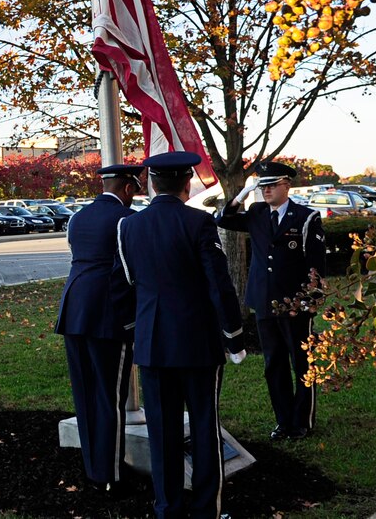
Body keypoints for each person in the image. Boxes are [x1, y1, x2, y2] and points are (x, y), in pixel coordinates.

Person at [117, 152, 246, 519]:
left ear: (152, 183)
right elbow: (219, 285)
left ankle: (167, 510)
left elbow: (126, 283)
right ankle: (207, 511)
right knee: (204, 428)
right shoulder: (199, 223)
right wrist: (234, 338)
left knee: (162, 432)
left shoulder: (128, 226)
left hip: (153, 343)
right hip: (198, 342)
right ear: (187, 182)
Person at [215, 161, 325, 440]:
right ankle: (283, 420)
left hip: (295, 303)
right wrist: (242, 194)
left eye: (272, 185)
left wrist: (311, 300)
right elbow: (223, 219)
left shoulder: (306, 217)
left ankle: (302, 420)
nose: (266, 191)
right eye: (262, 186)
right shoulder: (257, 213)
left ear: (287, 185)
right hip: (264, 301)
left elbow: (316, 263)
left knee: (302, 362)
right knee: (273, 364)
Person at [55, 163, 143, 490]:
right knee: (110, 398)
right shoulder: (128, 220)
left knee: (86, 397)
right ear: (128, 188)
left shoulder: (78, 217)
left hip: (75, 310)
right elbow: (132, 271)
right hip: (108, 314)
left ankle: (94, 469)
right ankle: (112, 476)